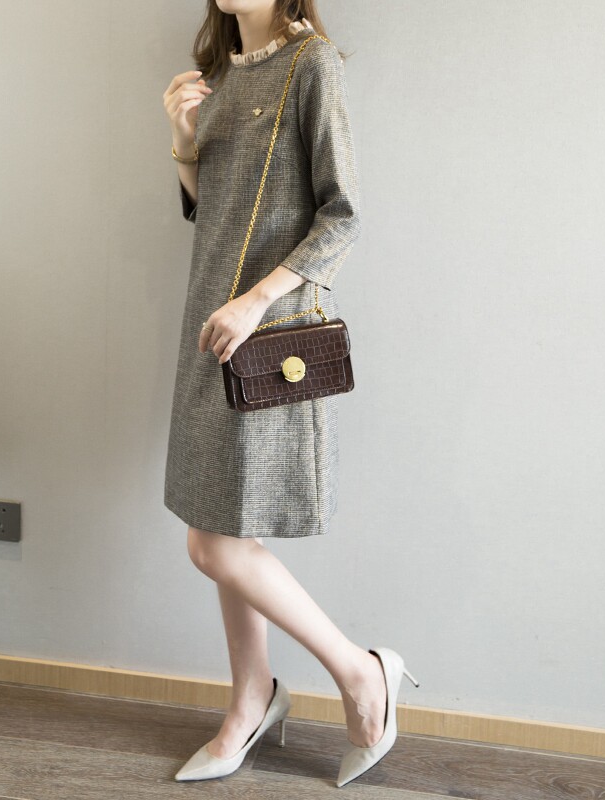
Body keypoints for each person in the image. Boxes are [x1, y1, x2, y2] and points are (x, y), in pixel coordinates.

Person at [161, 0, 419, 787]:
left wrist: (253, 303)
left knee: (212, 543)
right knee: (222, 525)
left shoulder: (312, 65)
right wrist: (183, 140)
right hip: (211, 325)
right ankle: (252, 700)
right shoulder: (218, 76)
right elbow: (213, 212)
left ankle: (360, 672)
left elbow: (343, 216)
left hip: (267, 336)